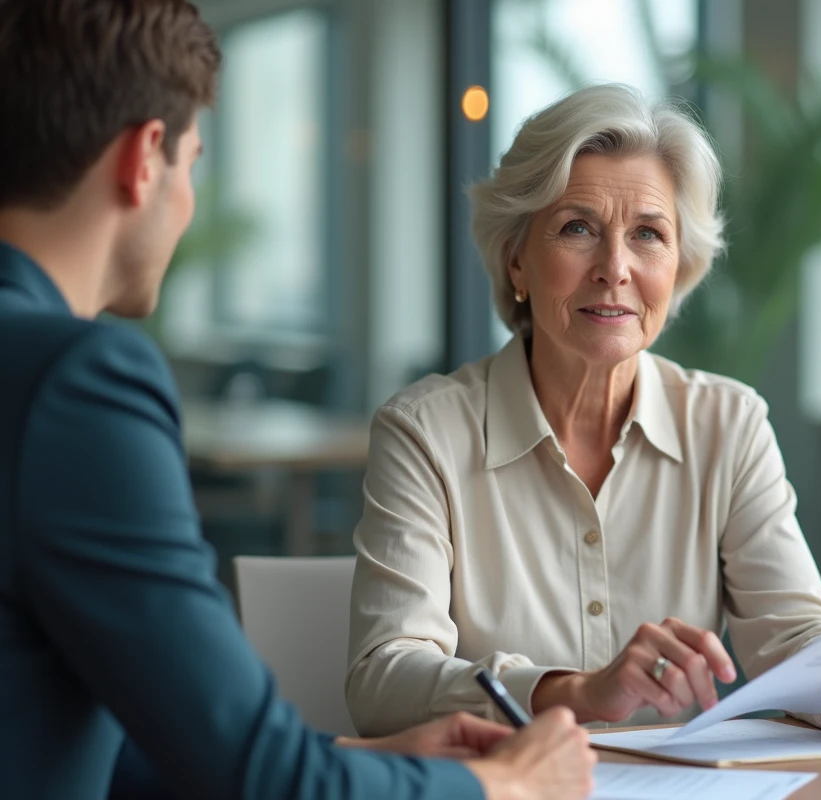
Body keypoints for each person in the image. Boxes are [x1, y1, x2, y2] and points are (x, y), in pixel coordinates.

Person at [0, 2, 595, 798]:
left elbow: (92, 748)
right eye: (193, 163)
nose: (189, 202)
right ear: (144, 159)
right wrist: (507, 786)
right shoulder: (76, 382)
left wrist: (360, 757)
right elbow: (260, 777)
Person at [346, 83, 821, 741]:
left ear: (679, 267)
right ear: (517, 260)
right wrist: (575, 691)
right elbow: (383, 681)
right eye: (578, 228)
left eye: (648, 235)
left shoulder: (729, 424)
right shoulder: (425, 432)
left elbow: (792, 634)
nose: (615, 268)